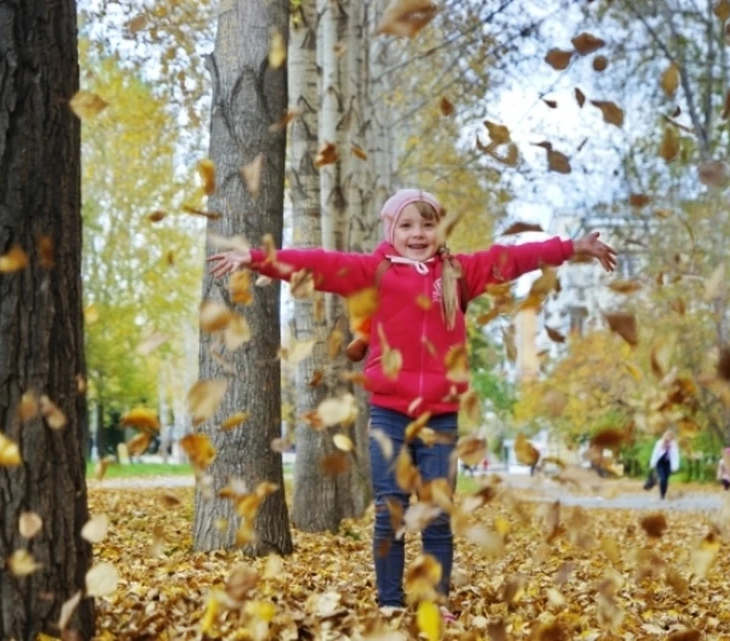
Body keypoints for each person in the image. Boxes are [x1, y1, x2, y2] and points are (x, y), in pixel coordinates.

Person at [207, 188, 617, 617]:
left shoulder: (459, 273)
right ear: (391, 229)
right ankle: (389, 603)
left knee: (438, 513)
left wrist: (572, 247)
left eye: (427, 224)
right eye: (407, 225)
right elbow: (320, 264)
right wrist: (255, 257)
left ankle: (437, 603)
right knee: (392, 509)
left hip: (440, 416)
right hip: (389, 413)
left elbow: (513, 259)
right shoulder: (374, 271)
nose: (418, 233)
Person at [648, 430, 680, 499]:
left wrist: (675, 466)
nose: (668, 438)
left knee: (666, 479)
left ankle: (663, 493)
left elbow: (675, 455)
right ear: (665, 436)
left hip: (668, 463)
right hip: (660, 463)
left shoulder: (673, 444)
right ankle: (662, 495)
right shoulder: (659, 443)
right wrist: (652, 463)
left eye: (670, 437)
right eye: (667, 436)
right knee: (662, 478)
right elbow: (655, 453)